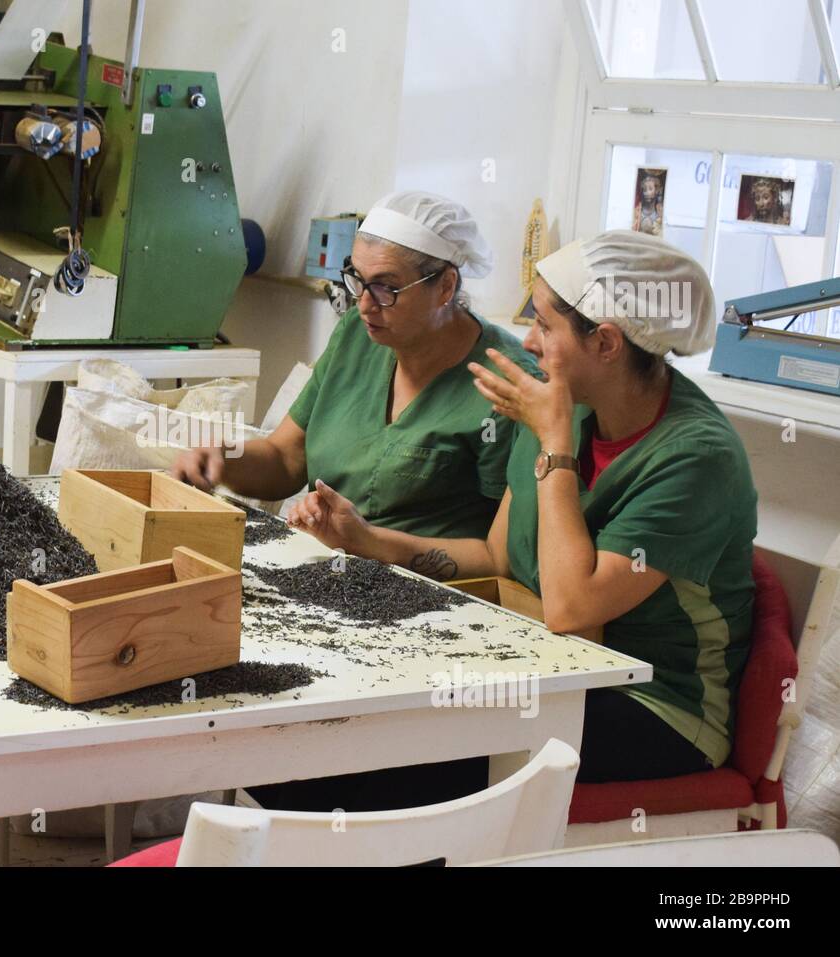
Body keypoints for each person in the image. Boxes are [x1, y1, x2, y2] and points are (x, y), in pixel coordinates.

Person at [300, 230, 756, 785]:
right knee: (341, 709)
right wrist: (368, 539)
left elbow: (570, 609)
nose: (529, 342)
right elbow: (497, 555)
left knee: (382, 760)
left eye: (544, 324)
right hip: (545, 664)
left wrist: (554, 445)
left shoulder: (696, 458)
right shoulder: (562, 401)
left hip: (653, 706)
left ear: (606, 343)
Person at [173, 191, 539, 579]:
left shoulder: (509, 383)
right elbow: (284, 459)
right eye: (357, 280)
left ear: (446, 287)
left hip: (432, 596)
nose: (364, 304)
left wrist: (372, 543)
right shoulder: (356, 336)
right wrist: (221, 457)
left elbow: (500, 560)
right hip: (332, 571)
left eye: (386, 288)